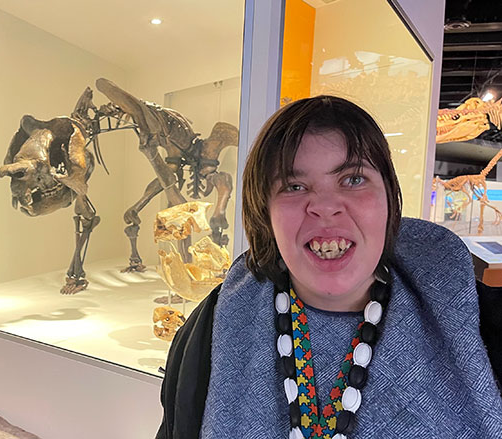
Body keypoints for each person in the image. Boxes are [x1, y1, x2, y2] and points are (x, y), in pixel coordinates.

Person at [156, 96, 502, 439]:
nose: (324, 208)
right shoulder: (208, 332)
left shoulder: (481, 324)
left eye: (353, 179)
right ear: (265, 211)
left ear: (389, 196)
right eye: (294, 186)